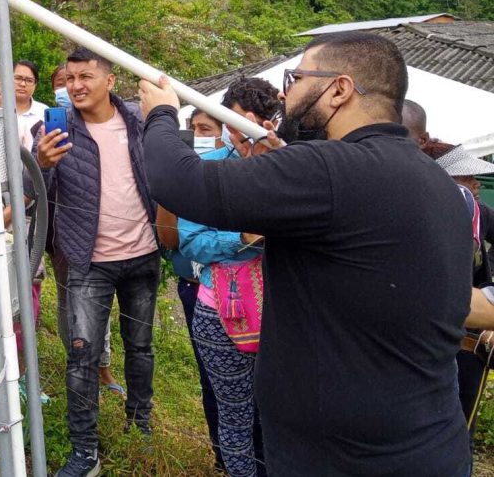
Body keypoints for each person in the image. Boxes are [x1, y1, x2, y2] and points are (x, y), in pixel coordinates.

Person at [138, 31, 471, 476]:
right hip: (429, 442)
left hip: (343, 458)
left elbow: (180, 183)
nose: (284, 92)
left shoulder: (326, 170)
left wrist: (161, 114)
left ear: (339, 89)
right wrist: (287, 164)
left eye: (295, 78)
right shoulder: (439, 187)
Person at [36, 47, 161, 477]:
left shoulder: (139, 122)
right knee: (82, 355)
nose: (76, 86)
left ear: (110, 81)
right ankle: (85, 452)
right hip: (88, 262)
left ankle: (138, 424)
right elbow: (32, 192)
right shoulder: (55, 127)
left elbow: (169, 171)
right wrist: (41, 164)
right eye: (70, 78)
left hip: (144, 254)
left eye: (86, 76)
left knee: (140, 347)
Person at [178, 78, 278, 477]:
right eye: (232, 124)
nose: (240, 135)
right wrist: (243, 237)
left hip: (284, 314)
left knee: (281, 415)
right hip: (221, 313)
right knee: (234, 415)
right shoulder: (208, 171)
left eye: (251, 125)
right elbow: (191, 242)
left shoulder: (292, 166)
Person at [157, 108, 225, 472]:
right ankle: (221, 456)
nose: (198, 135)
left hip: (240, 292)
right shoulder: (184, 178)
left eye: (206, 129)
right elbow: (168, 240)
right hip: (194, 289)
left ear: (225, 134)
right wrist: (172, 189)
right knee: (210, 377)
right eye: (193, 129)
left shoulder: (236, 177)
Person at [423, 140, 494, 435]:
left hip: (466, 345)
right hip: (422, 347)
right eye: (466, 177)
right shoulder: (417, 215)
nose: (475, 184)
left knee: (459, 431)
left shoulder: (480, 215)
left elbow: (483, 273)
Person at [13, 59, 48, 130]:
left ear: (35, 84)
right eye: (18, 78)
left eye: (29, 80)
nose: (22, 84)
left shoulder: (44, 112)